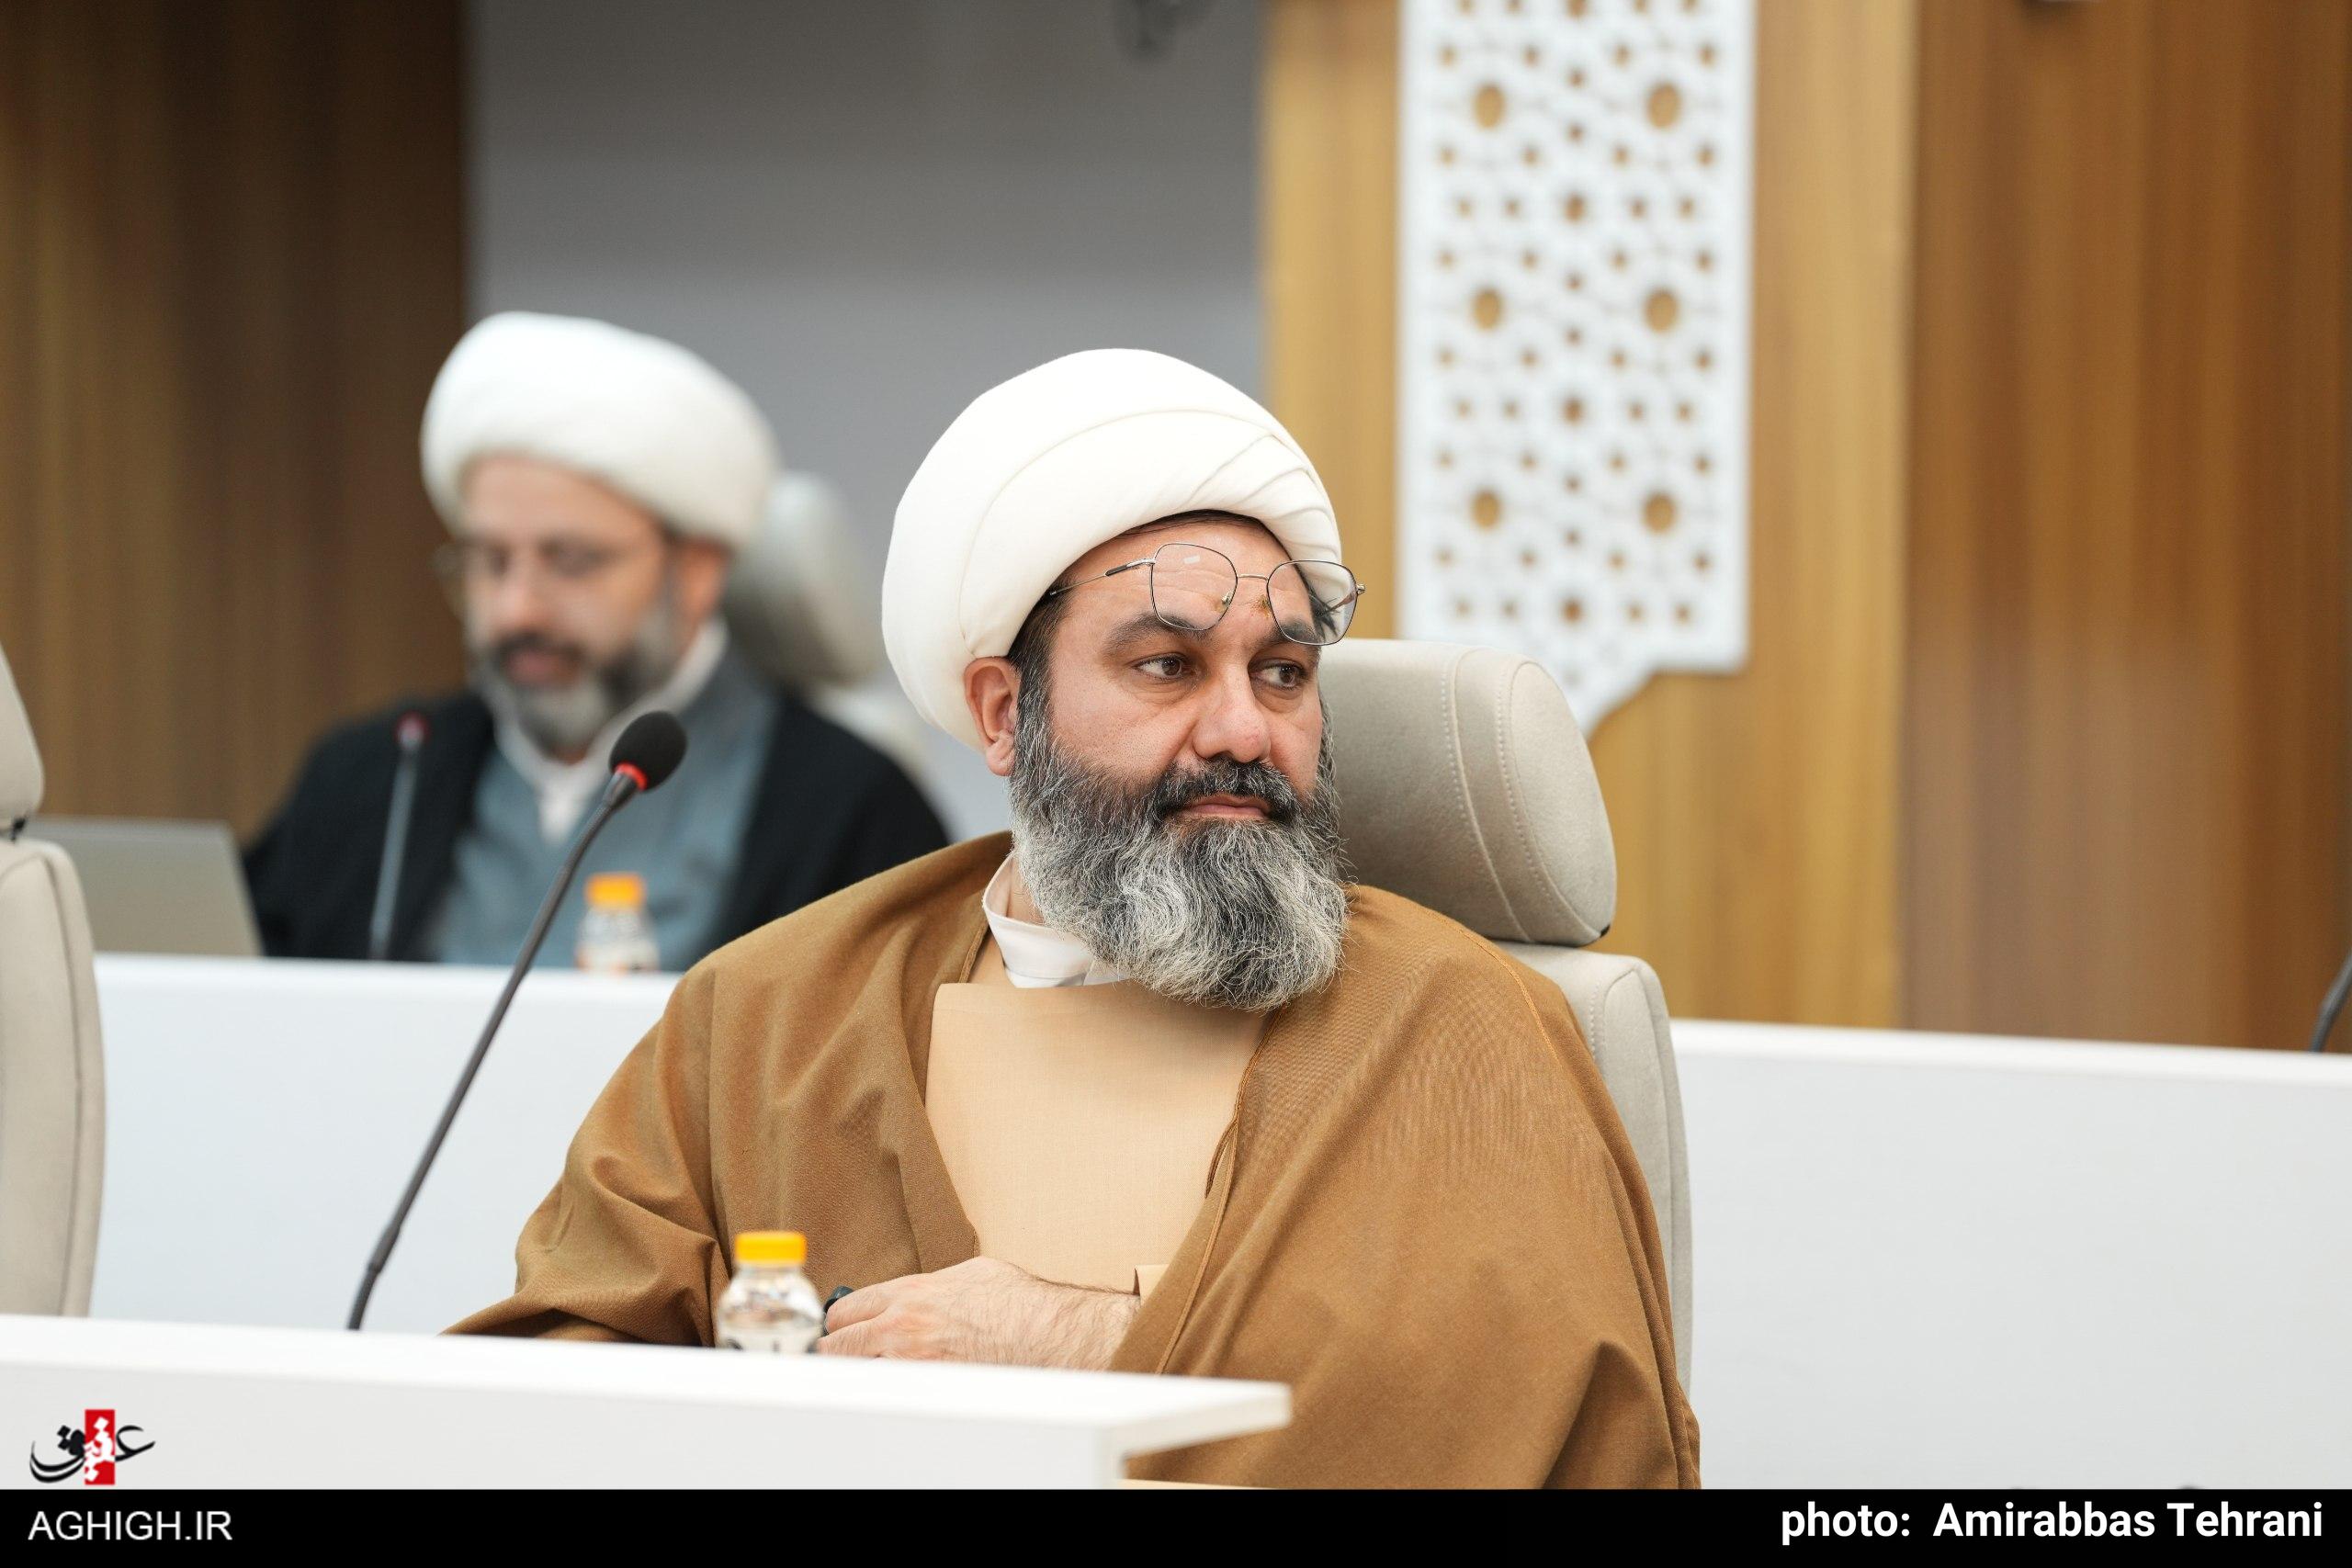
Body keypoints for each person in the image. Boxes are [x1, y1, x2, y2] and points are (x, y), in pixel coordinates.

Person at [451, 349, 1699, 1487]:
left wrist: (1081, 1342)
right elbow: (554, 1381)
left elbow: (1523, 1403)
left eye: (1283, 672)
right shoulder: (770, 1016)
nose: (1243, 728)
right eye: (1167, 665)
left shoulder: (1458, 1021)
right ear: (1006, 712)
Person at [244, 312, 946, 970]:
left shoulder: (850, 807)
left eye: (571, 561)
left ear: (696, 571)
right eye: (490, 561)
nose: (517, 610)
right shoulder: (377, 778)